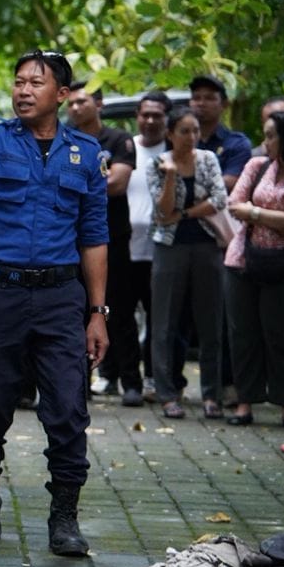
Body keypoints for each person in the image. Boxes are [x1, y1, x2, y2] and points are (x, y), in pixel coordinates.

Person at [0, 50, 108, 558]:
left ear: (63, 94)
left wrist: (98, 313)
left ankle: (64, 516)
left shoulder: (86, 152)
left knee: (69, 409)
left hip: (60, 299)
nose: (24, 90)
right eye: (18, 81)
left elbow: (94, 237)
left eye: (37, 82)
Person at [223, 109, 284, 427]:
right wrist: (265, 215)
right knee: (244, 334)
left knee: (282, 336)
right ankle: (245, 403)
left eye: (270, 136)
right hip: (243, 259)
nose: (265, 143)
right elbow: (234, 204)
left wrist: (255, 212)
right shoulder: (256, 166)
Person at [147, 106, 230, 421]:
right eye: (184, 131)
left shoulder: (208, 159)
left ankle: (212, 395)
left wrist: (183, 214)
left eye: (195, 130)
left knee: (211, 323)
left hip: (208, 246)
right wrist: (170, 176)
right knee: (164, 323)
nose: (192, 137)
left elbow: (219, 200)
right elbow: (160, 211)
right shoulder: (158, 164)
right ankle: (167, 395)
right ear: (170, 134)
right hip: (170, 248)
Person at [67, 87, 138, 403]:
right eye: (70, 103)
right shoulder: (64, 138)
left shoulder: (118, 139)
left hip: (114, 239)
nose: (75, 107)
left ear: (99, 104)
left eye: (82, 101)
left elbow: (118, 183)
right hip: (73, 241)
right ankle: (80, 386)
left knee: (120, 312)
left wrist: (74, 184)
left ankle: (131, 383)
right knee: (77, 313)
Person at [124, 91, 172, 400]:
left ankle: (157, 378)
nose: (151, 120)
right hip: (125, 248)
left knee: (160, 319)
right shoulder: (125, 149)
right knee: (123, 316)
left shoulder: (174, 152)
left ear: (167, 119)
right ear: (137, 116)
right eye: (145, 114)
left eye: (157, 115)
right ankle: (130, 382)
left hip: (162, 250)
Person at [190, 75, 252, 192]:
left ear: (224, 104)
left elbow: (228, 183)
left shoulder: (237, 143)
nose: (201, 103)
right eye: (196, 98)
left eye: (209, 98)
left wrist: (184, 185)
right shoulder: (178, 141)